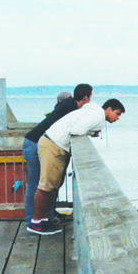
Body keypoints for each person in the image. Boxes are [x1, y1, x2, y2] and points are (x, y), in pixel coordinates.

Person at [29, 98, 124, 235]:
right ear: (108, 109)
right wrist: (92, 131)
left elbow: (78, 127)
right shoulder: (97, 116)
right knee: (46, 187)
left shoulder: (92, 112)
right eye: (117, 113)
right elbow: (77, 130)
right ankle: (36, 222)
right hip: (53, 146)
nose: (117, 118)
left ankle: (43, 219)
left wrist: (91, 132)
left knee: (52, 186)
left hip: (53, 143)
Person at [22, 83, 92, 223]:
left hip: (36, 142)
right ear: (85, 98)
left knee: (52, 183)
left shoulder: (68, 105)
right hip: (35, 143)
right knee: (37, 184)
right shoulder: (71, 109)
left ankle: (48, 215)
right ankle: (32, 219)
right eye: (90, 97)